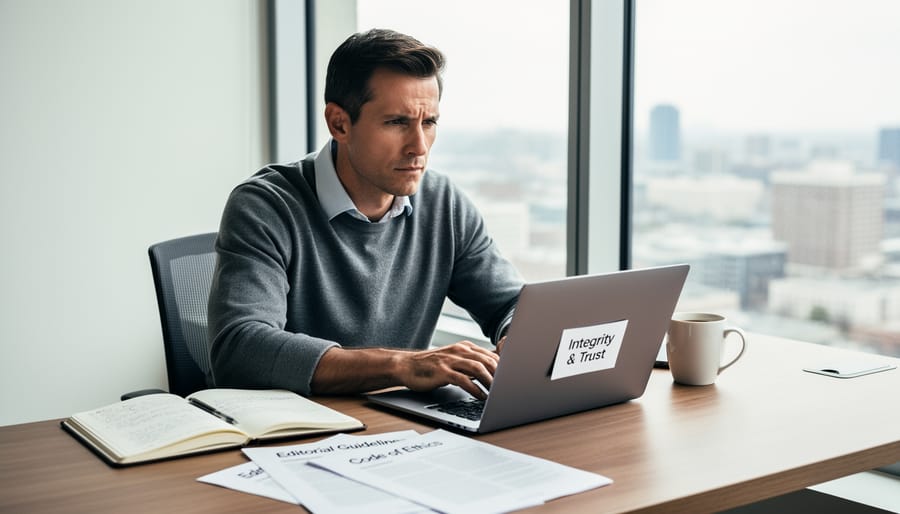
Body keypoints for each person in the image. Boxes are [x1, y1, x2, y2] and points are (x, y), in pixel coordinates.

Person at [207, 28, 523, 401]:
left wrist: (518, 337)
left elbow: (512, 304)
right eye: (397, 122)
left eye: (428, 122)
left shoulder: (444, 203)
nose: (419, 147)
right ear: (339, 123)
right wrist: (402, 365)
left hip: (398, 422)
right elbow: (241, 348)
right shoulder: (265, 206)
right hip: (301, 427)